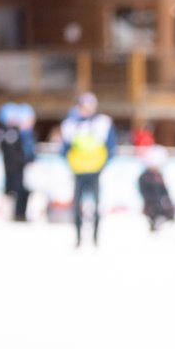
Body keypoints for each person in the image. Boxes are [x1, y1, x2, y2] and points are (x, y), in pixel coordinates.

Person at [60, 92, 116, 246]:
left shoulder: (103, 122)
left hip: (96, 170)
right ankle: (78, 238)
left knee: (96, 206)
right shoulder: (70, 124)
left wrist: (102, 165)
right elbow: (64, 149)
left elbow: (111, 147)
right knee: (77, 206)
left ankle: (95, 238)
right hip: (78, 170)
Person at [0, 105, 29, 222]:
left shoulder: (15, 132)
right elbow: (13, 153)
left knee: (18, 192)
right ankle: (11, 214)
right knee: (12, 192)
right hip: (12, 169)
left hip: (16, 168)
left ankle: (17, 214)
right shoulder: (9, 133)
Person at [138, 145, 175, 231]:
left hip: (160, 204)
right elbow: (145, 192)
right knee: (153, 211)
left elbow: (164, 191)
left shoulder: (159, 176)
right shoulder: (145, 177)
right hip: (151, 205)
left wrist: (167, 202)